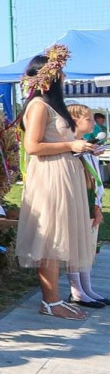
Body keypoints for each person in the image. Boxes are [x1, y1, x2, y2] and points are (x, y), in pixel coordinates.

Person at [17, 46, 99, 320]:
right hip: (50, 176)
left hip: (63, 173)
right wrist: (70, 144)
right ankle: (50, 302)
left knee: (59, 236)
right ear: (46, 78)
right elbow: (32, 146)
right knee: (50, 238)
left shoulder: (53, 106)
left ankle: (55, 299)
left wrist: (81, 148)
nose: (63, 79)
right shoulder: (39, 105)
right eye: (59, 74)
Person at [64, 103, 106, 307]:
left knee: (88, 246)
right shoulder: (71, 146)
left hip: (91, 200)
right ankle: (76, 291)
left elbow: (94, 177)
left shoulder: (85, 145)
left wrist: (98, 204)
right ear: (74, 122)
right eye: (88, 119)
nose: (92, 122)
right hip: (79, 201)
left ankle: (86, 288)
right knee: (77, 246)